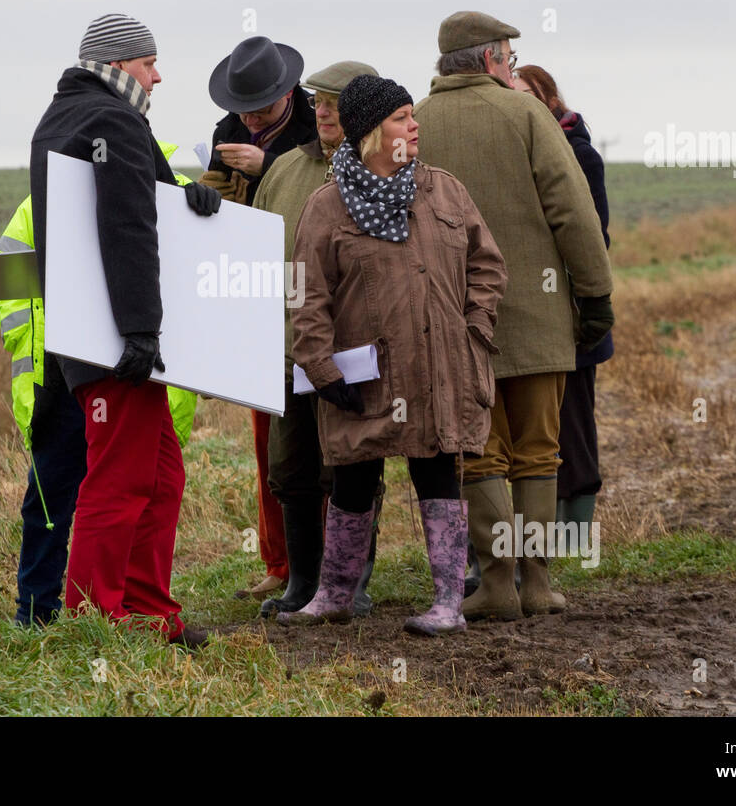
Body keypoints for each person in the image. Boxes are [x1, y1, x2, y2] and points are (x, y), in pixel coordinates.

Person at [279, 75, 508, 636]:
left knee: (438, 477)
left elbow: (488, 266)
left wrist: (474, 329)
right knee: (354, 481)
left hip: (439, 370)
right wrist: (320, 367)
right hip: (365, 375)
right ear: (371, 132)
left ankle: (448, 603)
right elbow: (303, 293)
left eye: (413, 115)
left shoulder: (444, 190)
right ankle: (334, 595)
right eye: (403, 117)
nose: (415, 125)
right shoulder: (327, 206)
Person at [26, 14, 220, 648]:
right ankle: (94, 622)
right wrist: (139, 331)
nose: (157, 76)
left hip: (94, 338)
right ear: (117, 64)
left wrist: (187, 195)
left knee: (162, 474)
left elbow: (142, 195)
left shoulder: (69, 116)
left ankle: (147, 609)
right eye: (147, 63)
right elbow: (126, 226)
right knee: (119, 479)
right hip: (118, 344)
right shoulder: (112, 119)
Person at [413, 12, 614, 620]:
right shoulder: (527, 115)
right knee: (537, 453)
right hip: (535, 315)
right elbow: (572, 211)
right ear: (491, 60)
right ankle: (537, 584)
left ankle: (494, 587)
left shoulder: (413, 123)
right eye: (507, 57)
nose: (511, 68)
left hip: (450, 322)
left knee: (478, 454)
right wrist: (596, 295)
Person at [0, 148, 200, 627]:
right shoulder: (43, 200)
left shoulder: (168, 184)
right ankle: (36, 612)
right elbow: (7, 282)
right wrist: (38, 342)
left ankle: (127, 607)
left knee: (136, 487)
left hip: (130, 369)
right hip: (62, 375)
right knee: (52, 493)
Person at [250, 60, 382, 619]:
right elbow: (256, 252)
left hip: (355, 353)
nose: (321, 111)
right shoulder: (282, 170)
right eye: (318, 101)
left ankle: (352, 584)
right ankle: (301, 585)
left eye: (333, 102)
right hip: (290, 351)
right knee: (292, 470)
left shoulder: (386, 169)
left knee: (352, 467)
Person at [200, 36, 317, 601]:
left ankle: (320, 562)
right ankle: (279, 560)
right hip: (253, 295)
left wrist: (267, 166)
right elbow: (218, 189)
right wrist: (203, 194)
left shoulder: (318, 128)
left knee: (319, 437)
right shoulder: (226, 129)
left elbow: (320, 189)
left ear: (288, 92)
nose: (248, 117)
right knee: (269, 437)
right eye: (242, 107)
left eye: (261, 108)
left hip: (306, 292)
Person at [513, 65, 612, 534]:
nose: (521, 103)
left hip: (571, 311)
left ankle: (576, 531)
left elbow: (594, 239)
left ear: (548, 98)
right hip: (532, 314)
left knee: (574, 422)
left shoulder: (579, 156)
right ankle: (545, 526)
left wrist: (582, 302)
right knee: (541, 426)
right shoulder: (517, 151)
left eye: (528, 94)